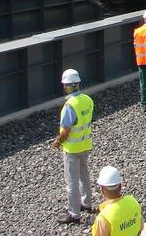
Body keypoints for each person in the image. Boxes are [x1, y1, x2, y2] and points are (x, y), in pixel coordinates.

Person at [52, 68, 95, 225]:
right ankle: (87, 204)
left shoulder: (69, 106)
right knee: (84, 175)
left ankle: (74, 214)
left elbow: (66, 131)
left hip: (72, 149)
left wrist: (58, 142)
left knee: (72, 182)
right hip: (85, 145)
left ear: (68, 86)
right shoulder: (88, 100)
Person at [91, 166, 143, 236]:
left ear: (102, 190)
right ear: (120, 186)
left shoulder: (104, 218)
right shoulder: (133, 202)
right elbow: (140, 227)